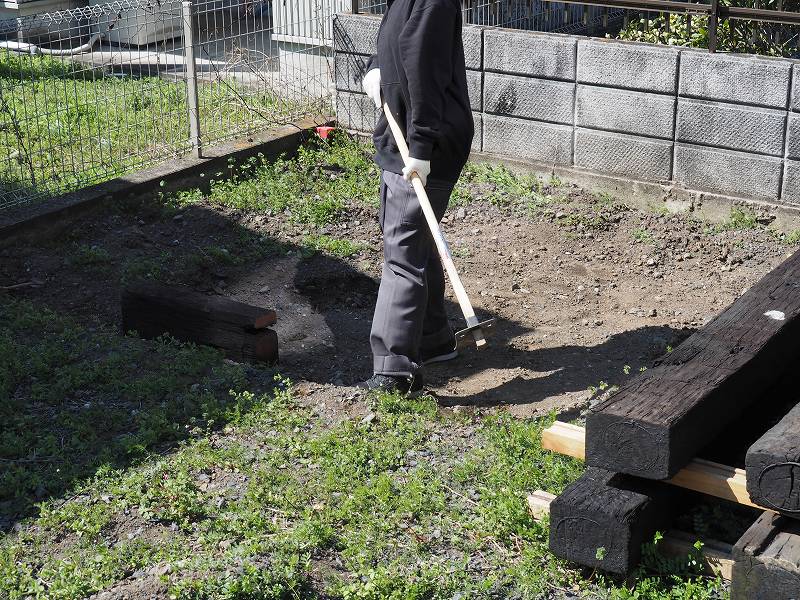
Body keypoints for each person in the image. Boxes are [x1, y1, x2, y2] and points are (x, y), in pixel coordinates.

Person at [356, 0, 474, 395]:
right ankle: (432, 337)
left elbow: (425, 66)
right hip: (408, 134)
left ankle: (393, 370)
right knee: (417, 240)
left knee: (403, 251)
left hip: (422, 142)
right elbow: (394, 42)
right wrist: (375, 66)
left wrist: (421, 148)